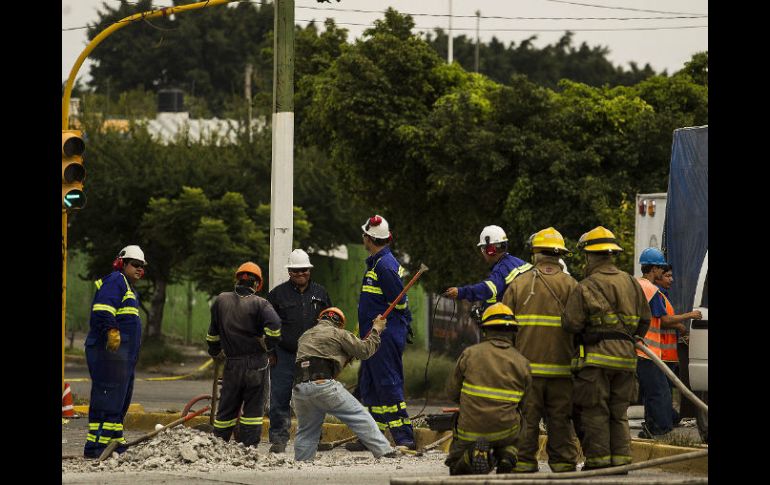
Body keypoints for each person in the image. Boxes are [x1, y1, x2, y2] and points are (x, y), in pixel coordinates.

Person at [562, 227, 651, 471]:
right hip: (626, 361)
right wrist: (627, 340)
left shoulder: (586, 286)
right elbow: (645, 320)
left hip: (596, 362)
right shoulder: (632, 283)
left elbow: (571, 323)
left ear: (591, 255)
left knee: (595, 412)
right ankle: (621, 463)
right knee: (619, 413)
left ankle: (599, 463)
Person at [501, 227, 579, 473]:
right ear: (559, 254)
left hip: (526, 372)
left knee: (527, 419)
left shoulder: (518, 285)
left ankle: (523, 462)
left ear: (535, 253)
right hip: (563, 370)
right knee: (560, 420)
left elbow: (503, 328)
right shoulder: (572, 285)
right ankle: (564, 462)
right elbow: (580, 326)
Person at [293, 307, 398, 461]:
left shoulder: (305, 336)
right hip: (323, 385)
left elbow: (317, 355)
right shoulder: (339, 333)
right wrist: (376, 330)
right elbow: (364, 351)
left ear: (319, 319)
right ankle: (384, 451)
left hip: (300, 389)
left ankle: (302, 462)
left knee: (307, 431)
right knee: (359, 415)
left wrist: (344, 356)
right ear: (339, 324)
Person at [349, 214, 416, 450]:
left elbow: (399, 303)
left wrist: (401, 324)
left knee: (387, 384)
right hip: (373, 338)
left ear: (369, 238)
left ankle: (404, 437)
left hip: (383, 338)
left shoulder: (385, 266)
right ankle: (372, 437)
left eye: (364, 235)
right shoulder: (378, 263)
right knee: (369, 385)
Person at [444, 303, 532, 475]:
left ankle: (469, 456)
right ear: (513, 332)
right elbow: (525, 404)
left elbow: (452, 392)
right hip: (506, 430)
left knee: (455, 467)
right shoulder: (522, 362)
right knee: (522, 420)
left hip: (470, 430)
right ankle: (509, 453)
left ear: (485, 331)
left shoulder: (470, 354)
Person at [206, 262, 282, 447]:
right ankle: (249, 448)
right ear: (257, 284)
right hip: (256, 363)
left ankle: (218, 445)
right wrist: (269, 347)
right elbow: (275, 327)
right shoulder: (261, 304)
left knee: (226, 408)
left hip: (232, 363)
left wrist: (215, 351)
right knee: (253, 410)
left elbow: (212, 335)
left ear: (237, 279)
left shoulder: (221, 300)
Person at [83, 245, 147, 458]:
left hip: (122, 356)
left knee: (120, 398)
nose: (139, 269)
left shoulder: (128, 287)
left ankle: (114, 441)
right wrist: (111, 330)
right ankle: (96, 446)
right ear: (122, 264)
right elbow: (102, 310)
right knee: (108, 396)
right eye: (135, 265)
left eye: (142, 266)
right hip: (109, 353)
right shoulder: (115, 280)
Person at [266, 249, 333, 453]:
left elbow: (330, 323)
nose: (300, 274)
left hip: (313, 356)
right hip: (284, 354)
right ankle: (278, 439)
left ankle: (315, 438)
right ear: (289, 272)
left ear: (309, 270)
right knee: (280, 397)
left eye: (303, 270)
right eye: (295, 271)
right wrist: (270, 351)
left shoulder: (321, 294)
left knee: (315, 397)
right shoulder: (277, 295)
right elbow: (267, 325)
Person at [635, 248, 701, 439]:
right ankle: (661, 429)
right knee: (658, 392)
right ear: (654, 269)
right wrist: (689, 316)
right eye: (661, 269)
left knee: (653, 391)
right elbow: (663, 320)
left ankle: (652, 428)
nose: (664, 274)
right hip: (649, 351)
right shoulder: (651, 290)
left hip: (642, 348)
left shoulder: (637, 285)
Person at [443, 225, 533, 312]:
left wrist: (461, 292)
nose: (482, 252)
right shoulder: (517, 262)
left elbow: (488, 289)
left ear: (490, 250)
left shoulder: (502, 269)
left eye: (483, 248)